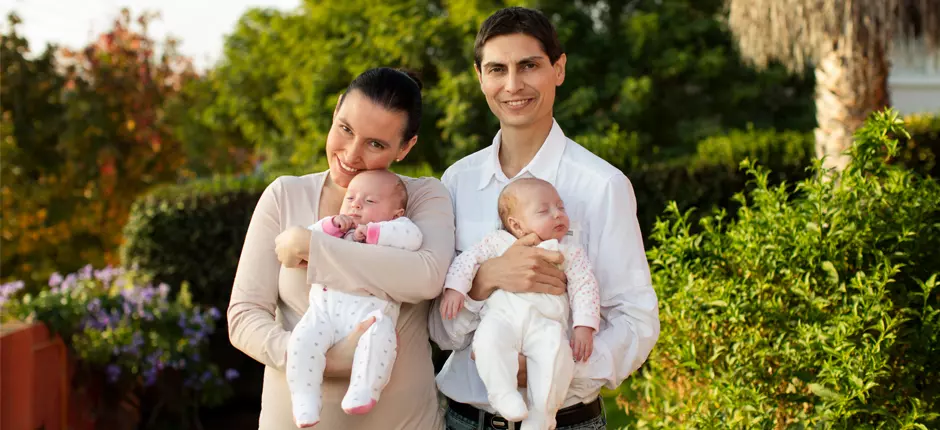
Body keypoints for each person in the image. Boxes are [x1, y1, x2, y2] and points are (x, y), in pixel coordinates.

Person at [429, 7, 660, 430]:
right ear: (480, 76)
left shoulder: (601, 184)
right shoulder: (456, 181)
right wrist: (485, 280)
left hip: (567, 421)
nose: (513, 85)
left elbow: (636, 320)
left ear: (558, 69)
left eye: (529, 66)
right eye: (497, 68)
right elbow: (441, 332)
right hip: (464, 421)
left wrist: (553, 366)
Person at [229, 67, 454, 430]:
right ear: (335, 111)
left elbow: (426, 277)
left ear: (405, 147)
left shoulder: (422, 197)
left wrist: (312, 248)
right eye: (346, 129)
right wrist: (321, 358)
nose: (351, 154)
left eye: (376, 144)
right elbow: (244, 317)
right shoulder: (285, 195)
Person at [439, 177, 599, 430]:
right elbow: (467, 261)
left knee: (556, 355)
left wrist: (584, 326)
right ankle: (502, 394)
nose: (558, 215)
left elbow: (585, 287)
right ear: (517, 225)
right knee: (488, 343)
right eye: (545, 210)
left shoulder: (569, 252)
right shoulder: (497, 243)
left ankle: (542, 414)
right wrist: (455, 290)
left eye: (561, 207)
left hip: (545, 324)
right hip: (501, 319)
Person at [287, 169, 423, 428]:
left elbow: (413, 238)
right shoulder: (334, 230)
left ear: (396, 214)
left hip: (369, 314)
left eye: (370, 201)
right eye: (350, 198)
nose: (356, 204)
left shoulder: (397, 229)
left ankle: (365, 389)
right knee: (301, 341)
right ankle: (304, 398)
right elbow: (308, 238)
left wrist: (374, 233)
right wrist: (331, 226)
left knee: (379, 339)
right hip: (324, 313)